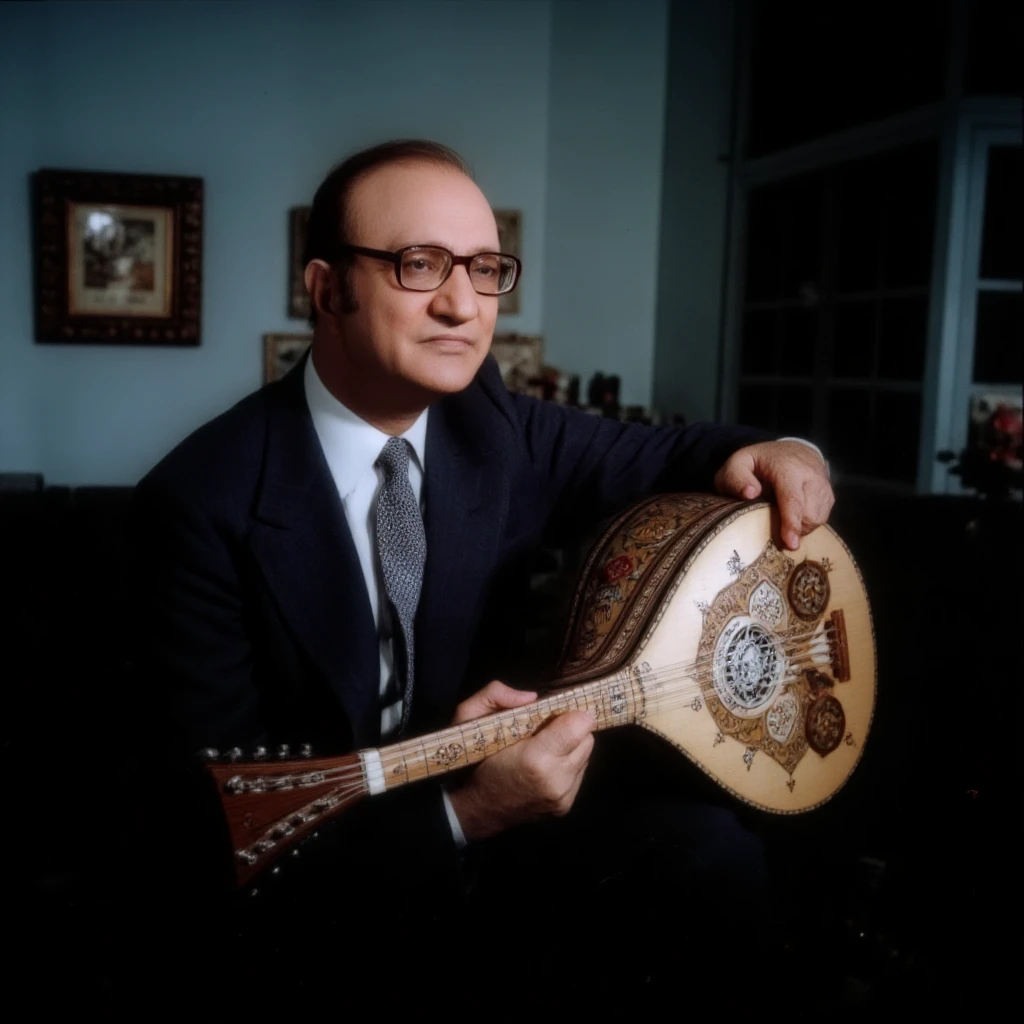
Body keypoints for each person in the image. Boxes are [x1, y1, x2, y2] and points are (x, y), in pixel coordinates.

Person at [128, 140, 833, 1012]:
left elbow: (676, 451)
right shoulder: (197, 504)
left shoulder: (487, 422)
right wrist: (467, 816)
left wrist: (786, 450)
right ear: (326, 289)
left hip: (502, 838)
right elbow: (212, 830)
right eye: (418, 265)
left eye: (485, 267)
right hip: (321, 886)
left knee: (718, 855)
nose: (463, 304)